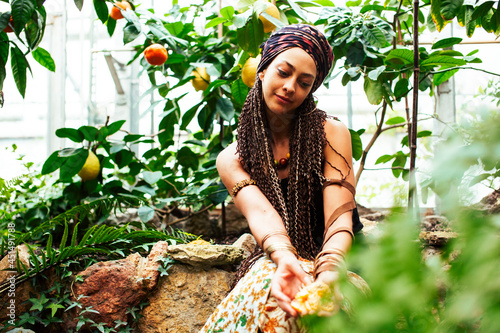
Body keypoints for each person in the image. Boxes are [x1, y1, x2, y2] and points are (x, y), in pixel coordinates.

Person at [201, 24, 364, 333]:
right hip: (278, 258)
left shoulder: (331, 133)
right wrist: (285, 259)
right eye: (283, 72)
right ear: (262, 69)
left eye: (304, 83)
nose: (291, 87)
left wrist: (328, 271)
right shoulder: (232, 159)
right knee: (268, 293)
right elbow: (262, 215)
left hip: (342, 259)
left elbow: (339, 220)